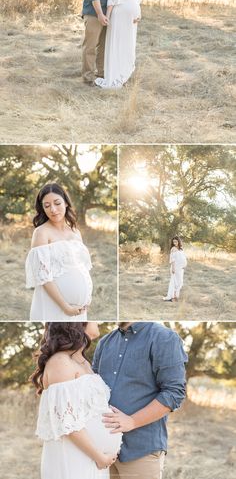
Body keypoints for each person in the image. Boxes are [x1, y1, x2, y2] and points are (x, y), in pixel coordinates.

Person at [93, 321, 188, 479]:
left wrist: (132, 421)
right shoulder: (105, 342)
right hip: (104, 450)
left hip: (141, 450)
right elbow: (93, 389)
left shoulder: (163, 337)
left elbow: (174, 392)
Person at [31, 322, 122, 479]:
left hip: (91, 458)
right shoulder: (60, 361)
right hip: (73, 456)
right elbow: (66, 421)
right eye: (92, 319)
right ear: (77, 325)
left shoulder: (82, 361)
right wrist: (99, 457)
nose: (98, 321)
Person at [25, 183, 93, 320]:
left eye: (57, 203)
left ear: (66, 203)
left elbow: (82, 267)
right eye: (47, 205)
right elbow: (42, 276)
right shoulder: (41, 232)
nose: (53, 209)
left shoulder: (75, 232)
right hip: (55, 306)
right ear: (42, 208)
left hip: (79, 310)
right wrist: (65, 307)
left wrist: (88, 297)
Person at [95, 0, 141, 89]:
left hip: (132, 21)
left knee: (128, 45)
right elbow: (111, 1)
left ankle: (124, 74)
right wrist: (107, 17)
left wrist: (139, 14)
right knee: (118, 44)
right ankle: (116, 76)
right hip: (119, 18)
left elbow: (136, 1)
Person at [163, 236, 187, 302]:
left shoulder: (181, 248)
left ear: (178, 241)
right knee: (174, 282)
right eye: (173, 242)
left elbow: (183, 257)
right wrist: (173, 268)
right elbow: (172, 260)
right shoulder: (173, 249)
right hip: (175, 268)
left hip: (180, 268)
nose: (174, 243)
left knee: (180, 282)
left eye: (176, 241)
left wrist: (184, 264)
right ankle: (173, 297)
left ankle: (176, 295)